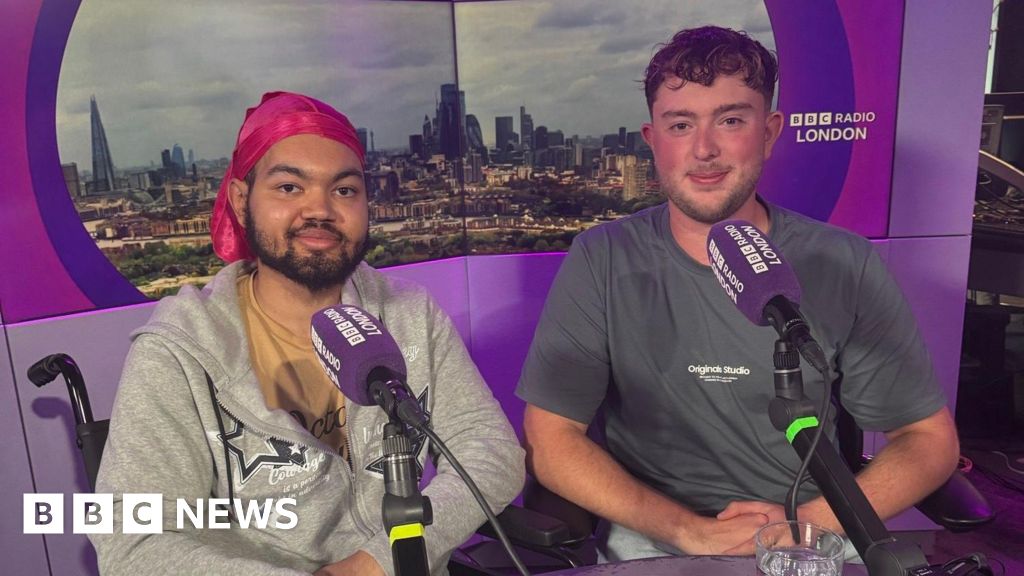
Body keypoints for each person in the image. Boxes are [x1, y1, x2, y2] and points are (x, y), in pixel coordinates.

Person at [516, 26, 959, 562]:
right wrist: (687, 530)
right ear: (652, 139)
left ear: (769, 133)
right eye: (681, 125)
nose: (704, 150)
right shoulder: (603, 258)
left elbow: (928, 439)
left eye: (730, 120)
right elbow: (551, 437)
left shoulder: (845, 262)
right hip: (654, 535)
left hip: (810, 536)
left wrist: (807, 524)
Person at [91, 91, 524, 576]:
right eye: (289, 187)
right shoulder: (179, 351)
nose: (320, 210)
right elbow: (133, 544)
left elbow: (490, 451)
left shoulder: (410, 313)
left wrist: (378, 562)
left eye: (345, 190)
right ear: (241, 200)